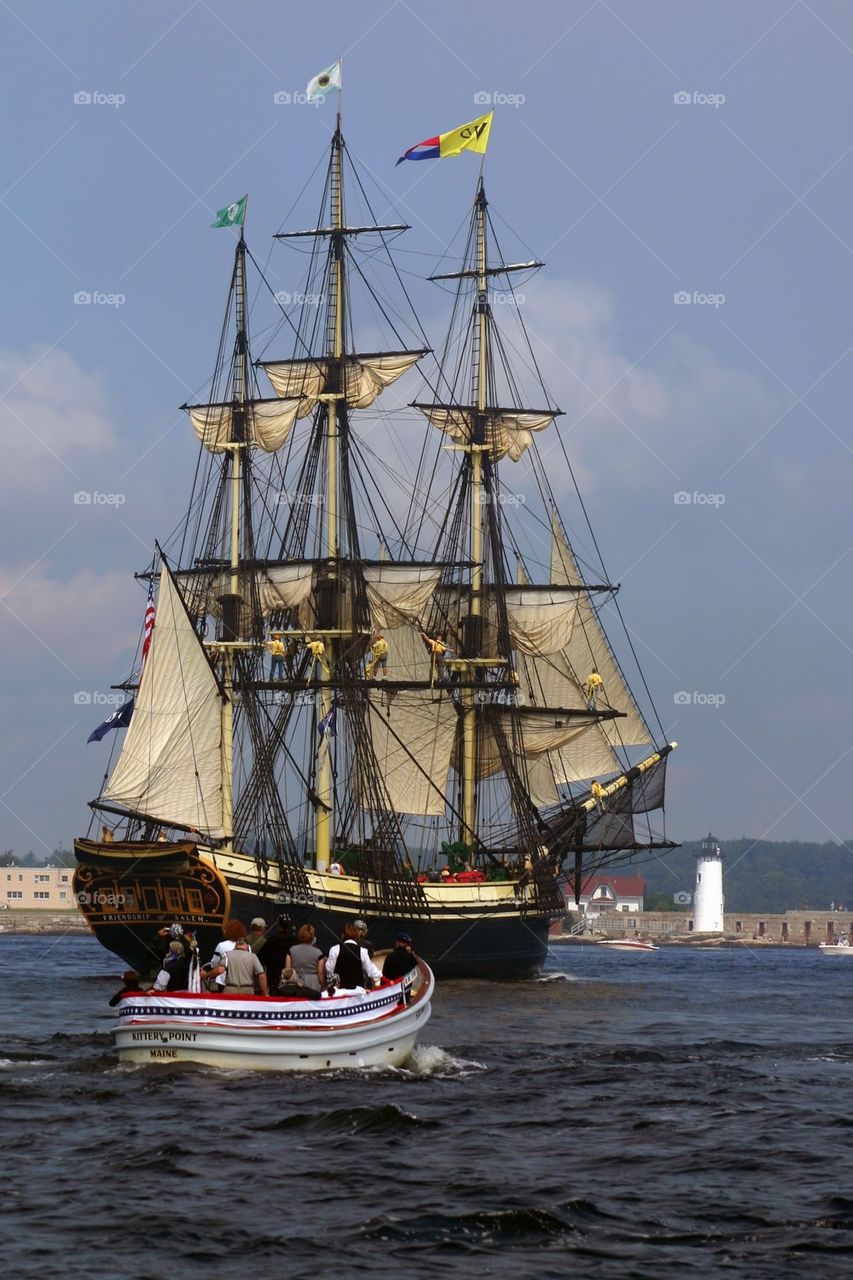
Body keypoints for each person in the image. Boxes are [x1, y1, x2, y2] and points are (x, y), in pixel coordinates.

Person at [325, 922, 382, 991]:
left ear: (342, 935)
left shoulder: (335, 949)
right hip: (357, 992)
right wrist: (383, 977)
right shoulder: (362, 951)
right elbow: (371, 970)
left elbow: (329, 969)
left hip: (340, 991)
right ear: (355, 936)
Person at [279, 924, 326, 998]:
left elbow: (288, 970)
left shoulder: (291, 950)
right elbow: (320, 973)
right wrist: (323, 986)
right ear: (312, 936)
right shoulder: (319, 953)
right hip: (313, 983)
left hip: (295, 982)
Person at [202, 919, 247, 992]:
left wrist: (207, 974)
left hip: (225, 983)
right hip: (244, 983)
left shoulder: (222, 945)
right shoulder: (248, 946)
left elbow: (214, 964)